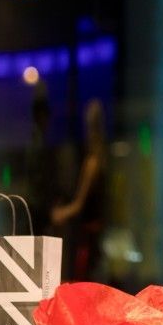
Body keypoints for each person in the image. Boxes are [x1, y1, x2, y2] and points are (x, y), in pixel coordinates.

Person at [50, 98, 109, 280]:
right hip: (95, 233)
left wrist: (60, 214)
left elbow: (78, 205)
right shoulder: (102, 160)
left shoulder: (92, 163)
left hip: (86, 237)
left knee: (80, 281)